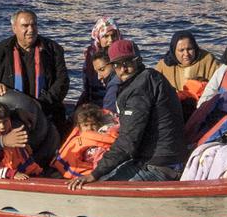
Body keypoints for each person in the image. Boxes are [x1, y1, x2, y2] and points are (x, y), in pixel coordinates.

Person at [68, 40, 186, 186]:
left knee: (100, 183)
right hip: (161, 158)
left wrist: (94, 174)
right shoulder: (149, 77)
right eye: (116, 65)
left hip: (159, 165)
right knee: (108, 171)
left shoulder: (139, 89)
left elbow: (128, 142)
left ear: (138, 60)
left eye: (127, 63)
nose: (122, 69)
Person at [0, 9, 70, 134]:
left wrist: (40, 105)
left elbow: (63, 82)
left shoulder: (53, 49)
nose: (31, 30)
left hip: (47, 112)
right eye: (25, 26)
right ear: (14, 28)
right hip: (11, 117)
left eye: (34, 25)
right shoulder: (0, 50)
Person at [53, 103, 119, 179]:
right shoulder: (79, 137)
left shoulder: (102, 138)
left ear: (99, 123)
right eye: (86, 125)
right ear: (79, 126)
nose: (90, 128)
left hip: (93, 173)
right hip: (70, 170)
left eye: (93, 124)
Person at [153, 30, 221, 95]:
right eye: (181, 50)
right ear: (174, 51)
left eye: (190, 49)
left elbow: (220, 83)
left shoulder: (207, 60)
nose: (186, 54)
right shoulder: (163, 66)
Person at [77, 18, 121, 105]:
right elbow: (87, 87)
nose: (111, 40)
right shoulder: (90, 55)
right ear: (98, 38)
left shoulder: (123, 55)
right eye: (106, 36)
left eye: (113, 35)